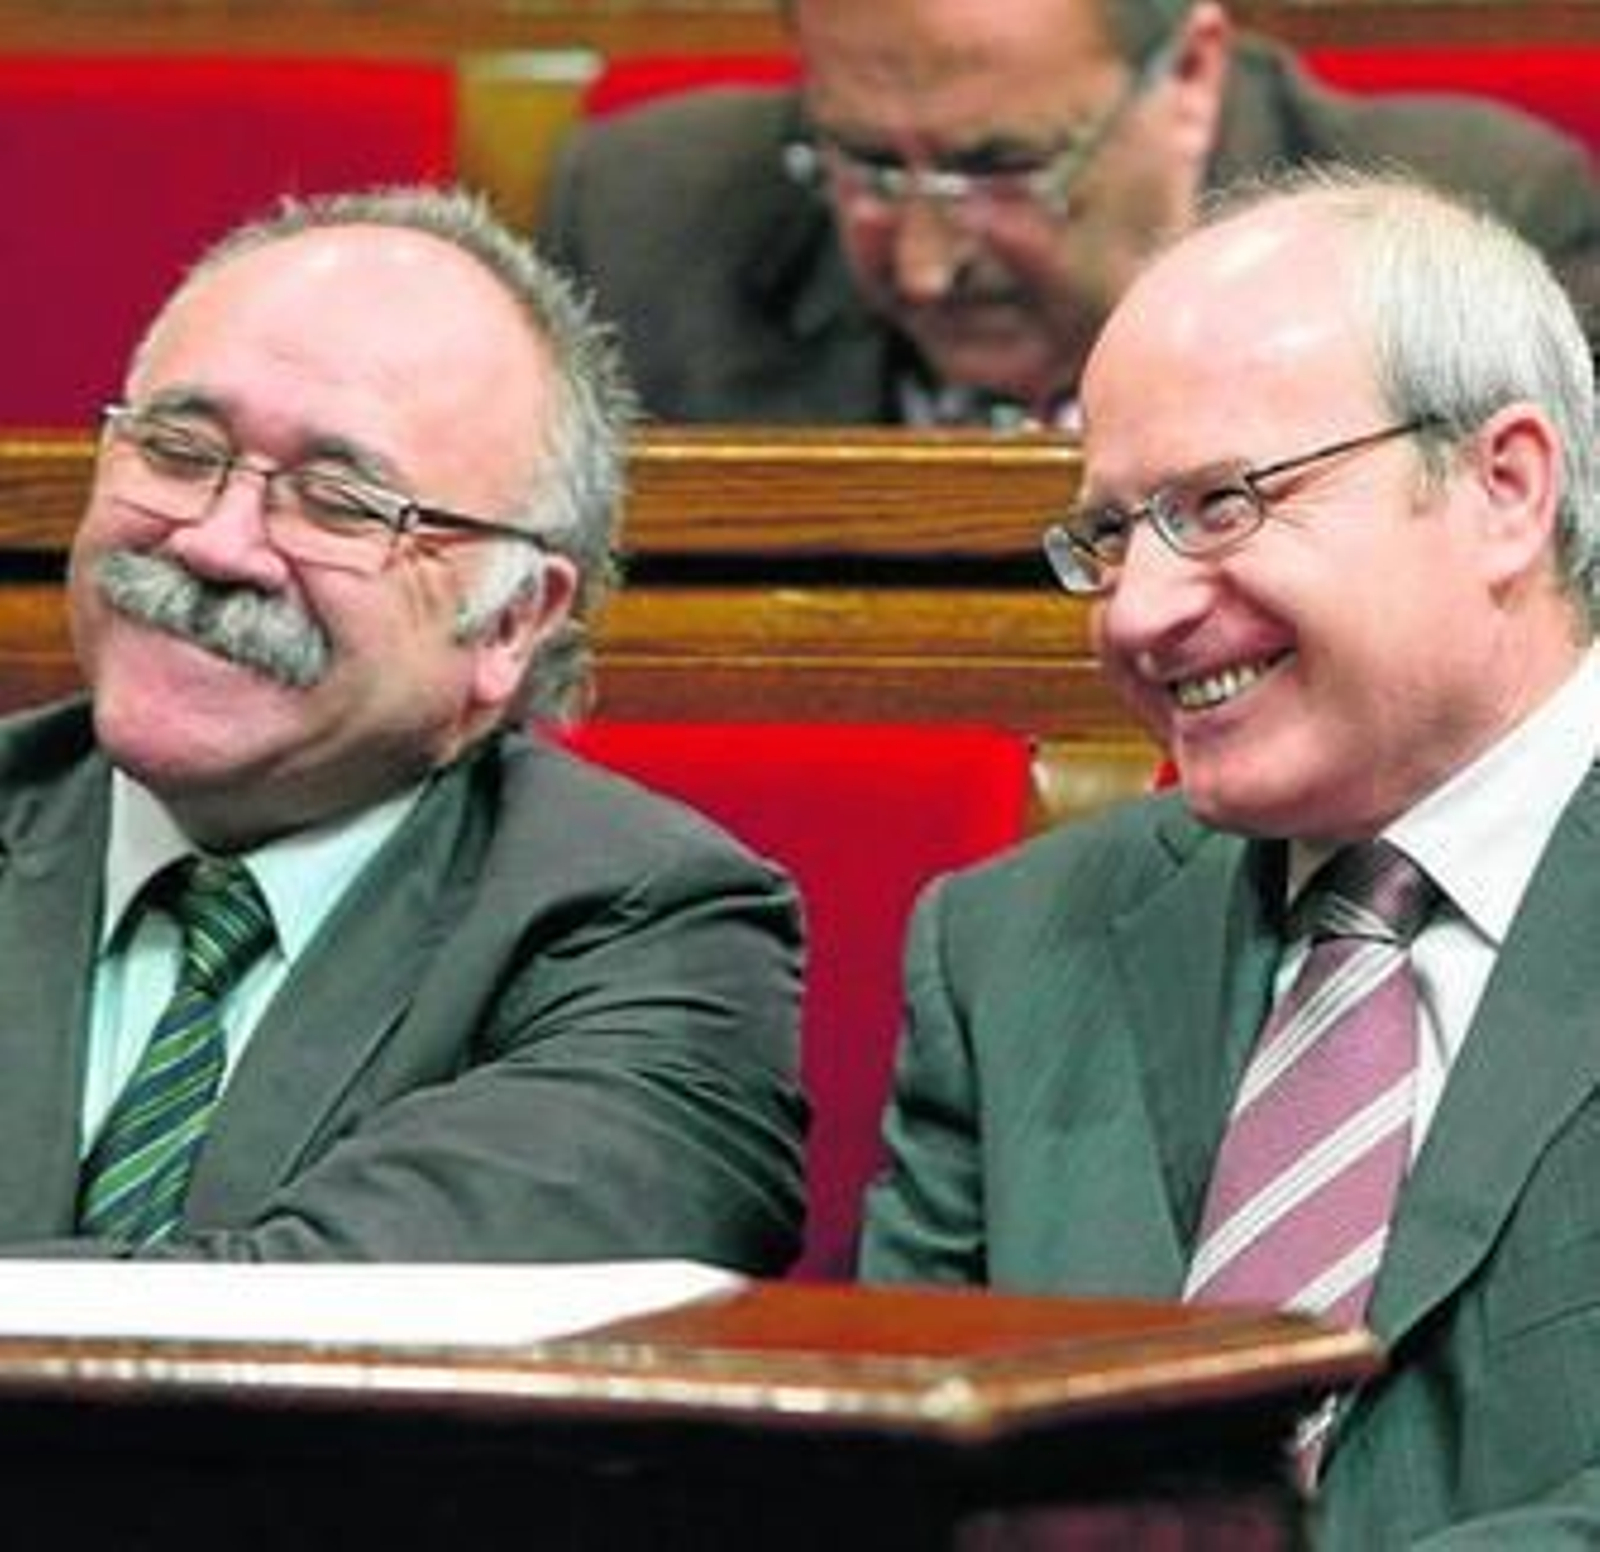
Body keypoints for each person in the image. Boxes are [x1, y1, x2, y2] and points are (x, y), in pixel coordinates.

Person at [859, 167, 1600, 1543]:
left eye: (1220, 506)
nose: (1139, 611)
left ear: (1505, 488)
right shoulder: (1010, 949)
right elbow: (911, 1488)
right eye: (1107, 534)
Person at [0, 184, 806, 1268]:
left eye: (339, 502)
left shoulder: (650, 929)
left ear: (512, 619)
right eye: (179, 450)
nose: (216, 541)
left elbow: (350, 1324)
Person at [537, 0, 1600, 428]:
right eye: (863, 162)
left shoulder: (1468, 236)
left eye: (999, 167)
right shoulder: (644, 218)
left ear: (1187, 76)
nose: (922, 265)